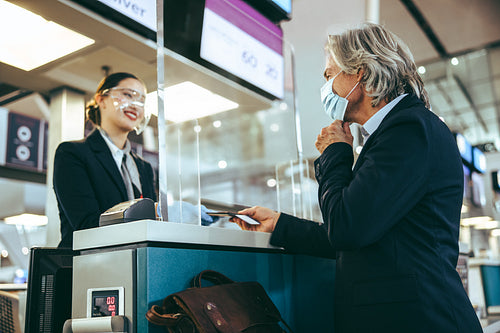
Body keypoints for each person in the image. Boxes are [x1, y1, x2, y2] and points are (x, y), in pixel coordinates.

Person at [232, 23, 482, 332]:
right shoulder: (392, 133)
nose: (326, 86)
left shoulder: (408, 130)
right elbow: (361, 235)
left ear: (360, 72)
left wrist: (336, 152)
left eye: (329, 74)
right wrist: (280, 224)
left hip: (421, 319)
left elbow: (346, 229)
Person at [53, 72, 157, 248]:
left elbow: (152, 224)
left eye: (142, 100)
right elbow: (87, 224)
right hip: (87, 264)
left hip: (136, 261)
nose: (136, 105)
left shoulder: (143, 167)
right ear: (101, 100)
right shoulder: (72, 153)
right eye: (127, 94)